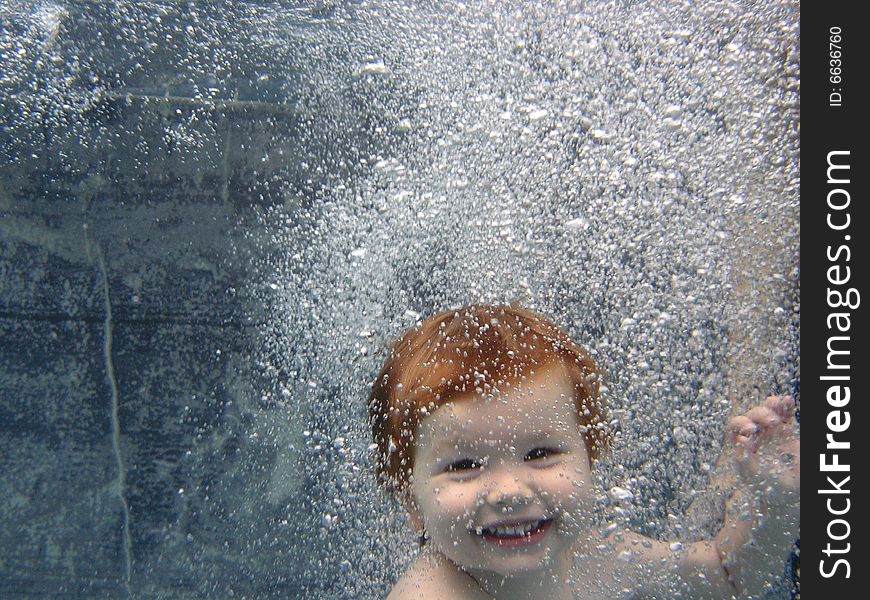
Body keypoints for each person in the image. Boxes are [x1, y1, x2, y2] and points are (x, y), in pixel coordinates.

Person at [368, 304, 799, 599]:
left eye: (540, 453)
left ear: (590, 457)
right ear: (412, 502)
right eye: (463, 465)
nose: (509, 490)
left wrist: (776, 502)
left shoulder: (593, 556)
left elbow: (730, 577)